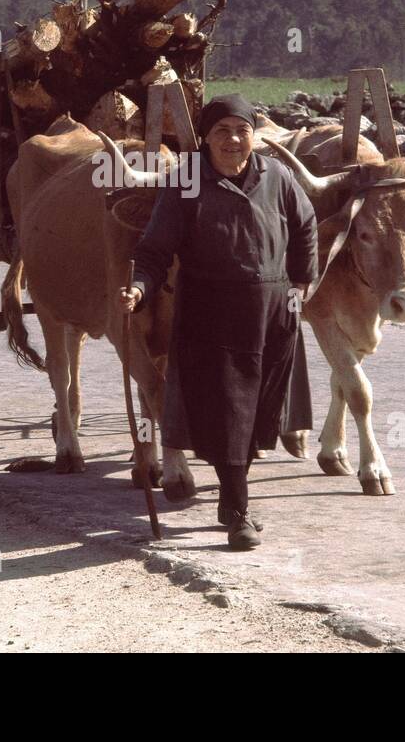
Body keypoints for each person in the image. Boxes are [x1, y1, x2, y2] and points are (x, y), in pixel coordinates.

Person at [119, 95, 318, 550]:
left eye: (242, 129)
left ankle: (231, 501)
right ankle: (240, 514)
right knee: (229, 411)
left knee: (258, 412)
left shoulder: (278, 176)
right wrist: (140, 287)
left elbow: (305, 225)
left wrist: (302, 283)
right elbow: (153, 250)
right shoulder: (186, 181)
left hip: (274, 314)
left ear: (254, 134)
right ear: (207, 137)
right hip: (211, 312)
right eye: (223, 130)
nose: (233, 139)